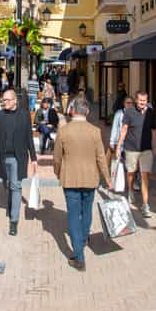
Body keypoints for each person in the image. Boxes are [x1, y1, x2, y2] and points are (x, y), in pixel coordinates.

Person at [53, 99, 111, 272]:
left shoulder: (64, 131)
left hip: (70, 178)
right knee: (86, 211)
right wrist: (107, 178)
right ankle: (84, 238)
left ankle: (79, 257)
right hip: (90, 178)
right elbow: (101, 157)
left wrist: (57, 172)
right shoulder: (95, 131)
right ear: (87, 112)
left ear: (72, 111)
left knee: (73, 215)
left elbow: (57, 157)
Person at [0, 88, 37, 236]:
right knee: (7, 184)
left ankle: (14, 221)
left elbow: (29, 137)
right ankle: (10, 204)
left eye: (8, 100)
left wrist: (34, 158)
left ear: (15, 100)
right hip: (2, 157)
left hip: (18, 157)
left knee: (16, 186)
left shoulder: (24, 115)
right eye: (3, 100)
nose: (5, 102)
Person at [116, 91, 156, 218]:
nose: (142, 103)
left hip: (146, 149)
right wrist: (118, 146)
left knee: (145, 176)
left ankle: (145, 205)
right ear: (136, 100)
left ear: (147, 101)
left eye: (144, 101)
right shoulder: (129, 112)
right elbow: (124, 129)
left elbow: (153, 131)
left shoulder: (150, 112)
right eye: (140, 100)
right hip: (131, 148)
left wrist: (155, 146)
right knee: (131, 173)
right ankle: (130, 189)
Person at [108, 95, 134, 170]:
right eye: (127, 103)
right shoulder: (119, 113)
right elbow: (115, 128)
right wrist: (112, 142)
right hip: (121, 144)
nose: (129, 104)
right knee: (120, 165)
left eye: (131, 103)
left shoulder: (135, 114)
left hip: (132, 144)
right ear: (124, 103)